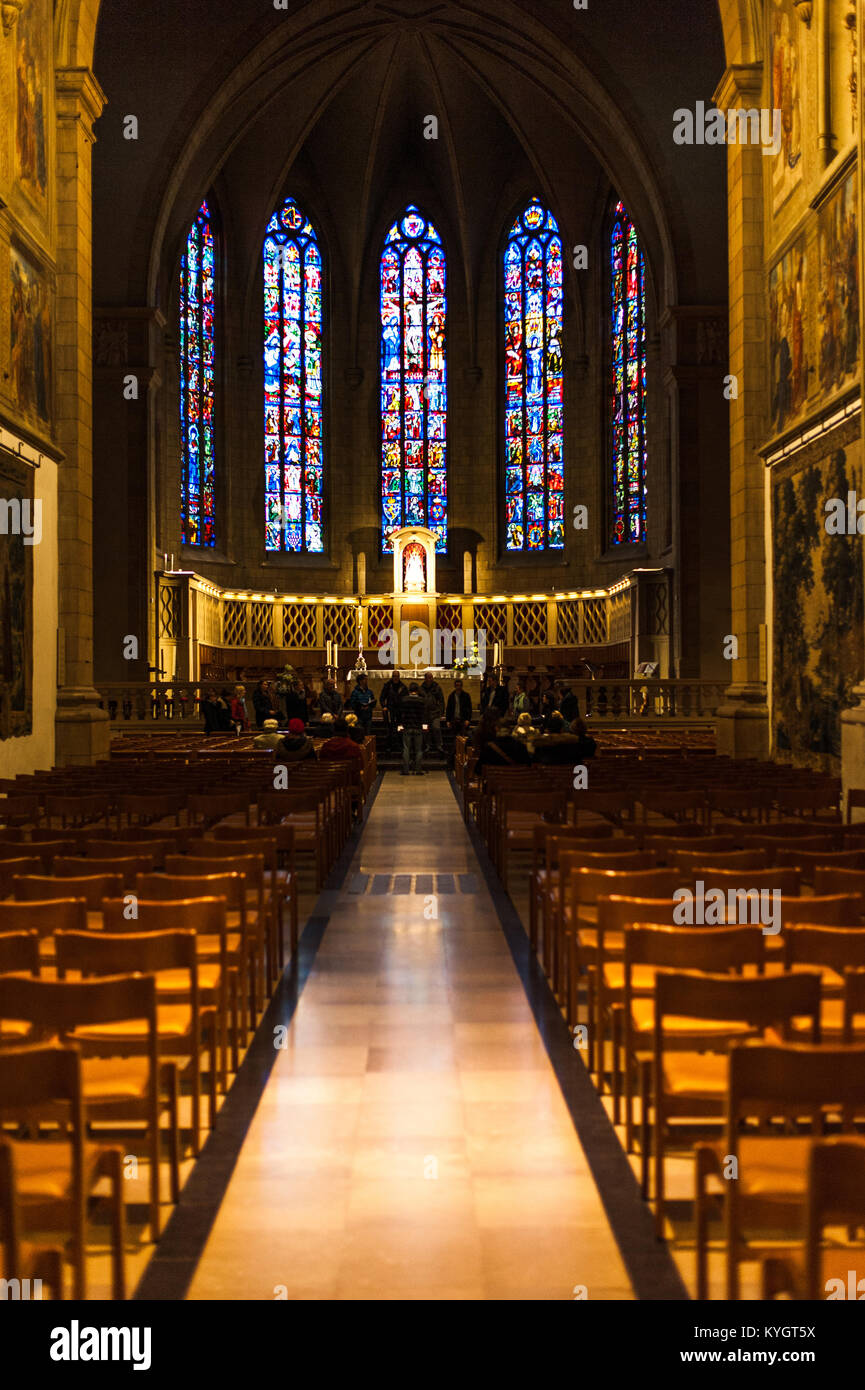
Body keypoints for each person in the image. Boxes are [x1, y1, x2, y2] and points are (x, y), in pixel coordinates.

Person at [398, 681, 427, 776]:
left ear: (409, 690)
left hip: (407, 726)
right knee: (419, 749)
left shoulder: (404, 700)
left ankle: (406, 770)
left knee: (406, 748)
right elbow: (424, 715)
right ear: (417, 690)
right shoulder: (422, 700)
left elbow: (401, 714)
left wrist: (400, 725)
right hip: (418, 726)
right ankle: (418, 770)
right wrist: (424, 725)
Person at [380, 671, 408, 748]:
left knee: (400, 729)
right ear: (392, 676)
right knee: (390, 729)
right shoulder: (387, 686)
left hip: (400, 711)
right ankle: (389, 746)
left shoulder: (403, 687)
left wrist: (404, 709)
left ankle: (400, 745)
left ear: (399, 677)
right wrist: (384, 706)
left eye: (397, 676)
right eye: (394, 676)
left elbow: (406, 699)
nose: (395, 678)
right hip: (390, 710)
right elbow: (382, 698)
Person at [420, 670, 444, 754]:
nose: (430, 679)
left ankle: (439, 745)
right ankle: (427, 745)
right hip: (424, 714)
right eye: (428, 677)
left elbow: (441, 700)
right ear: (425, 679)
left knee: (436, 728)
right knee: (425, 730)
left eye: (431, 677)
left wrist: (441, 711)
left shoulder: (437, 687)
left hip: (435, 713)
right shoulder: (421, 688)